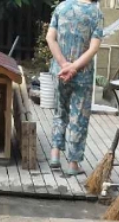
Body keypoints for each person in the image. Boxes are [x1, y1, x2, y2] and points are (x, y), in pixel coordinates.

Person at [45, 0, 104, 176]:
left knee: (60, 111)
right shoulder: (96, 13)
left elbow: (50, 38)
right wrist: (74, 67)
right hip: (82, 74)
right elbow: (94, 48)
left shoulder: (61, 7)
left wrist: (63, 64)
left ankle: (55, 155)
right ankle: (73, 164)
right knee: (79, 118)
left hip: (59, 71)